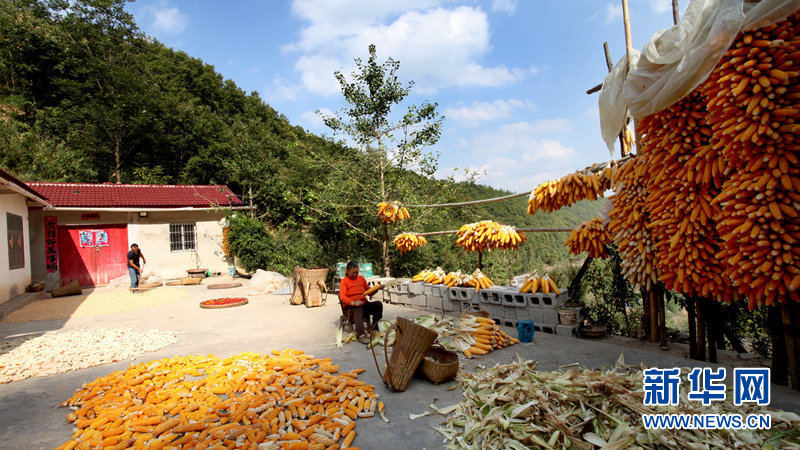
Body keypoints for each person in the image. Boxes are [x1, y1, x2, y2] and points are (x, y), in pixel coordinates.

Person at [339, 262, 383, 344]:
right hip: (351, 307)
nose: (355, 274)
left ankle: (374, 329)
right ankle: (361, 335)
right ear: (347, 272)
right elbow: (342, 297)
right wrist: (354, 303)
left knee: (378, 304)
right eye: (353, 273)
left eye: (357, 272)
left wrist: (377, 288)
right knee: (358, 309)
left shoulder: (361, 279)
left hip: (364, 304)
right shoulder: (344, 281)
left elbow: (369, 292)